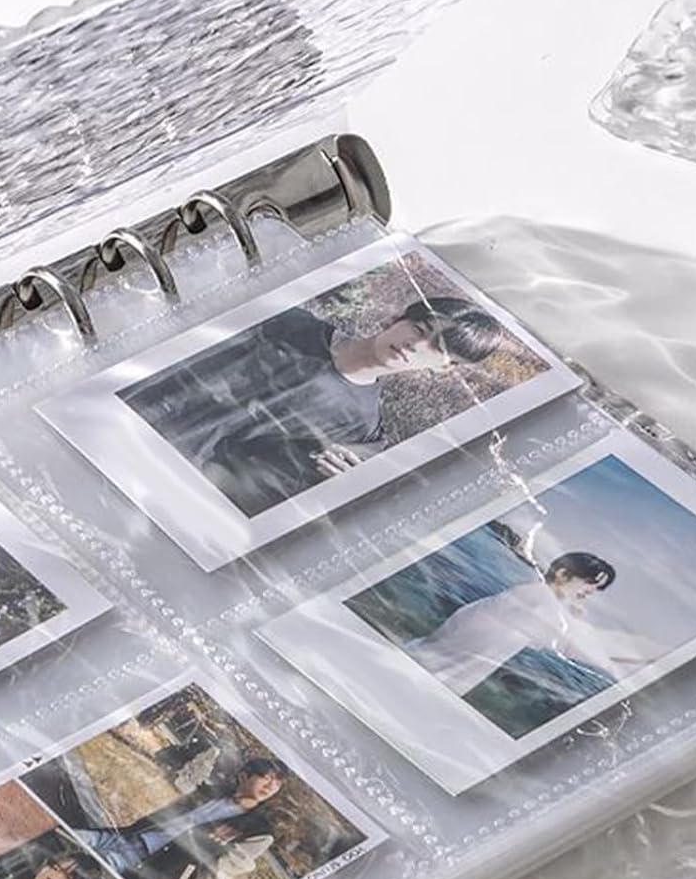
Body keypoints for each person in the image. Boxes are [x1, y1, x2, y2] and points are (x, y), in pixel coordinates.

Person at [122, 296, 513, 516]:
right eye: (420, 329)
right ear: (397, 318)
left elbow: (263, 490)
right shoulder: (286, 322)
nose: (415, 345)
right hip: (123, 415)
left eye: (436, 348)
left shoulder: (361, 430)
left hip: (154, 481)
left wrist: (333, 486)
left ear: (444, 369)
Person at [404, 551, 651, 697]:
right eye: (589, 582)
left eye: (596, 589)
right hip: (433, 679)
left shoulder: (529, 594)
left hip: (424, 662)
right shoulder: (543, 603)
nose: (590, 591)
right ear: (563, 574)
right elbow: (569, 649)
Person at [69, 758, 287, 879]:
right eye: (266, 777)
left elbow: (219, 874)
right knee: (66, 836)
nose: (271, 786)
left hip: (145, 863)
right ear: (244, 775)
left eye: (277, 783)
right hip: (125, 837)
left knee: (74, 870)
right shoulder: (212, 792)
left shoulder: (255, 829)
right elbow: (166, 813)